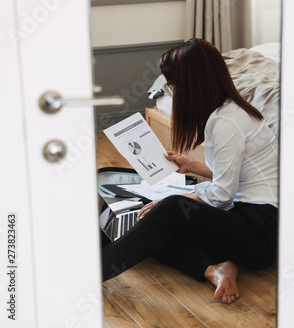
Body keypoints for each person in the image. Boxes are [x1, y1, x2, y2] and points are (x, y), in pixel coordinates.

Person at [101, 38, 279, 304]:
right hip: (247, 215)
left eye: (173, 83)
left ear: (192, 84)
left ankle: (95, 270)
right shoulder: (230, 110)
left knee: (168, 211)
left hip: (263, 231)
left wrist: (174, 203)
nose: (172, 90)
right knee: (156, 220)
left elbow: (221, 195)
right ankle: (212, 268)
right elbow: (234, 173)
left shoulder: (226, 123)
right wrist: (193, 165)